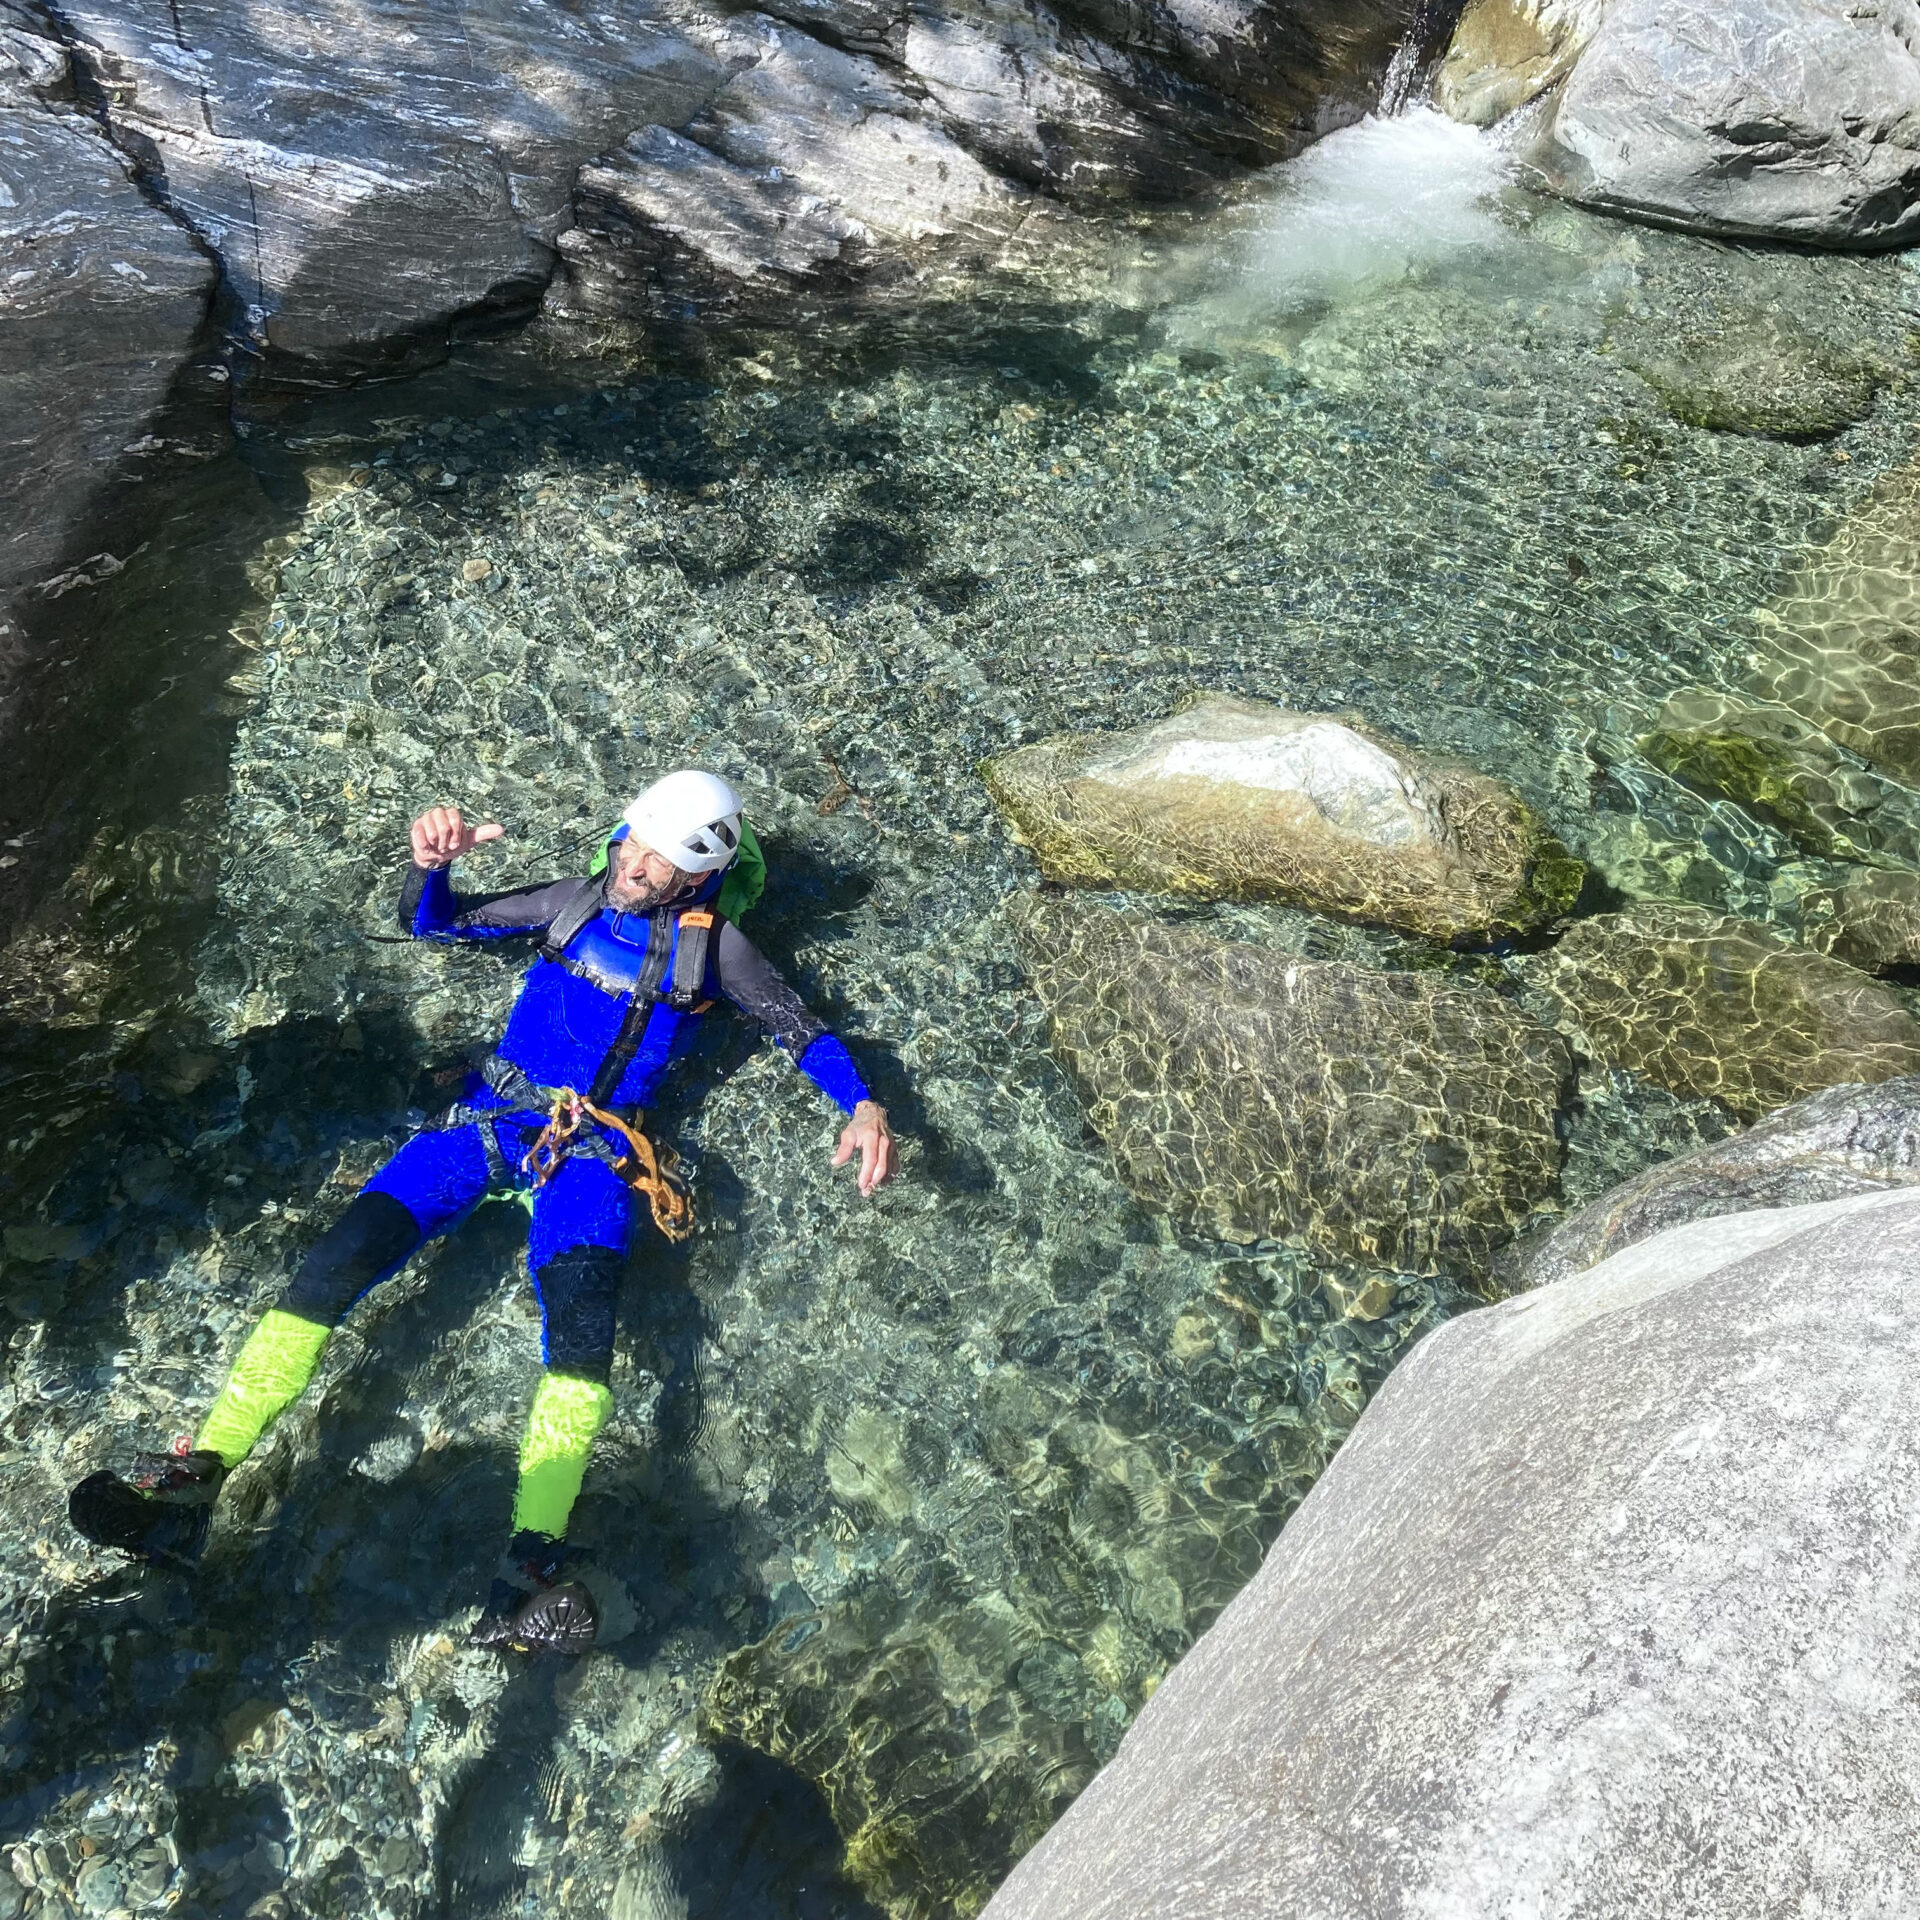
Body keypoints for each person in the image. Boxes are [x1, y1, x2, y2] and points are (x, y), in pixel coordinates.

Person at [68, 770, 895, 1653]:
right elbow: (434, 924)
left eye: (656, 860)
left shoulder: (719, 952)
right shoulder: (571, 901)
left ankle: (529, 1567)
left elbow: (800, 1029)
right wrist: (432, 868)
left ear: (694, 877)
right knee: (333, 1264)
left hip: (592, 1158)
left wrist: (863, 1103)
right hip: (490, 1123)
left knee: (582, 1336)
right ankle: (198, 1479)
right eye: (631, 842)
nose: (633, 864)